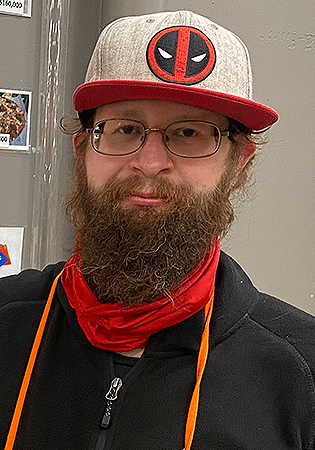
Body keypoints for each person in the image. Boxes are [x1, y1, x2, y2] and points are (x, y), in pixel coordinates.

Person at [1, 10, 315, 450]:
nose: (149, 163)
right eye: (124, 128)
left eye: (189, 133)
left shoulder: (300, 372)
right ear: (81, 149)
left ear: (239, 163)